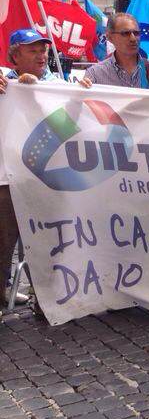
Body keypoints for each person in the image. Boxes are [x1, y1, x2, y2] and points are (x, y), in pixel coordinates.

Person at [0, 29, 91, 309]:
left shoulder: (58, 86)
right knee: (3, 243)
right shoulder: (4, 81)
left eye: (43, 50)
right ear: (15, 56)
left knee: (47, 241)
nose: (41, 55)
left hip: (44, 178)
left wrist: (78, 99)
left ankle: (46, 297)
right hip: (6, 177)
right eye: (33, 50)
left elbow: (65, 127)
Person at [84, 13, 149, 88]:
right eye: (125, 33)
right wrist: (81, 91)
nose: (133, 39)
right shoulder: (95, 74)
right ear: (110, 37)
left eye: (136, 33)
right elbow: (84, 101)